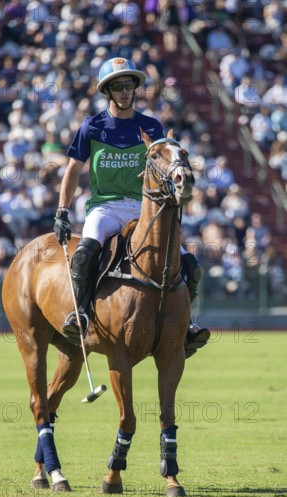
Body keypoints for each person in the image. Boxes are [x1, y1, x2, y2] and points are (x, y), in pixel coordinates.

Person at [54, 57, 209, 357]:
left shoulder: (151, 126)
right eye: (118, 86)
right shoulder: (92, 127)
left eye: (129, 86)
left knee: (191, 265)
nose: (125, 92)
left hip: (144, 210)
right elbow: (72, 170)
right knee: (85, 253)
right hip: (105, 208)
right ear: (107, 92)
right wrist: (62, 210)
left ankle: (186, 324)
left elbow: (165, 165)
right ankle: (81, 314)